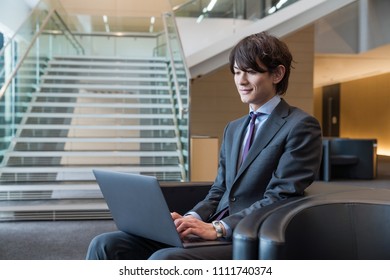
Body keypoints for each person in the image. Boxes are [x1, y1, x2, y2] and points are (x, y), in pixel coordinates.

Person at [86, 31, 323, 260]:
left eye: (250, 72)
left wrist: (219, 228)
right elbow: (219, 190)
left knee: (165, 259)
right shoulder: (233, 128)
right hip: (212, 227)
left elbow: (281, 196)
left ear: (277, 74)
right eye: (237, 72)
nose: (241, 80)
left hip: (247, 235)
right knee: (105, 244)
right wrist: (189, 218)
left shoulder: (300, 126)